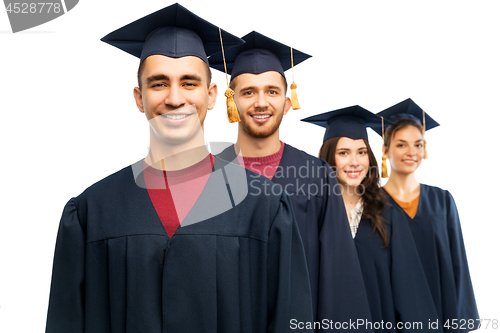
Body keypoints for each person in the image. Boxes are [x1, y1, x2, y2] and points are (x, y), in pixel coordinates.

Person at [45, 4, 313, 332]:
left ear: (212, 95)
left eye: (189, 83)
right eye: (158, 84)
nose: (174, 98)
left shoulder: (266, 208)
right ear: (139, 97)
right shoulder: (91, 213)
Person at [211, 31, 373, 332]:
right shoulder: (206, 176)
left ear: (287, 103)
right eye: (248, 92)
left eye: (272, 91)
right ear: (230, 102)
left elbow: (338, 278)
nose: (261, 102)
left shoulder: (317, 176)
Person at [302, 106, 442, 332]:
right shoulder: (311, 213)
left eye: (362, 152)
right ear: (329, 158)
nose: (355, 162)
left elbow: (409, 289)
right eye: (344, 152)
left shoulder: (388, 213)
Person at [378, 98, 480, 332]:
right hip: (392, 320)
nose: (411, 152)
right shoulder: (373, 206)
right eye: (401, 144)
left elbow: (458, 265)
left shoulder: (442, 201)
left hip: (441, 315)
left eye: (418, 144)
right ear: (385, 150)